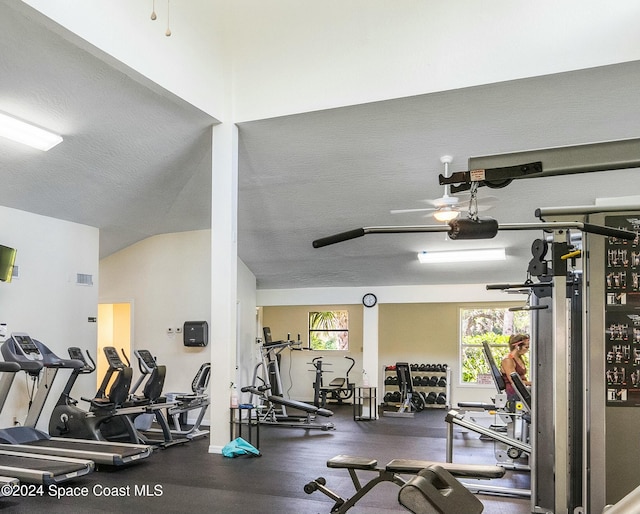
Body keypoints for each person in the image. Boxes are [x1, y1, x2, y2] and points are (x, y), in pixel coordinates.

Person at [500, 334, 531, 411]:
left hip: (522, 389)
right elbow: (515, 382)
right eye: (526, 347)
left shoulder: (519, 358)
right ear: (517, 347)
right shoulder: (508, 360)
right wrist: (532, 383)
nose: (527, 349)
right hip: (514, 392)